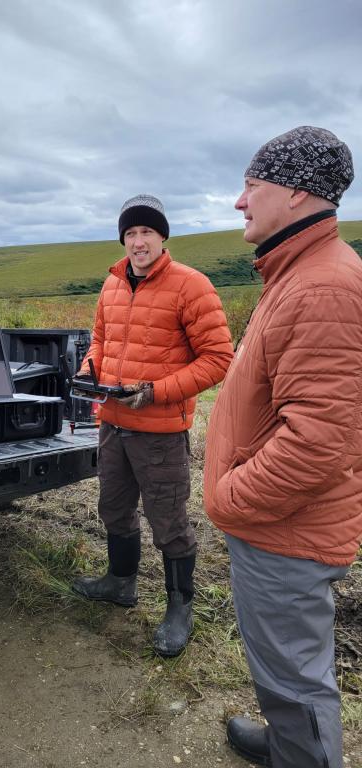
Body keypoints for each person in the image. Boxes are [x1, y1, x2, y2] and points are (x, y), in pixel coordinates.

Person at [204, 126, 360, 768]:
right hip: (277, 524)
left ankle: (301, 752)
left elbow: (319, 441)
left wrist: (231, 498)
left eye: (251, 185)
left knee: (297, 678)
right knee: (281, 662)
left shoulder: (321, 287)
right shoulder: (300, 271)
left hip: (282, 528)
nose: (240, 202)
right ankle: (286, 740)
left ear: (295, 194)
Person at [72, 194, 233, 655]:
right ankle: (120, 583)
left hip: (160, 431)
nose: (138, 241)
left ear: (163, 237)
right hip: (113, 424)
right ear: (122, 238)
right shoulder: (112, 285)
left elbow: (219, 359)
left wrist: (156, 391)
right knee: (114, 508)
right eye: (130, 233)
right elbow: (100, 339)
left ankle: (179, 607)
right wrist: (89, 369)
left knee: (169, 522)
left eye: (147, 232)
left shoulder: (191, 286)